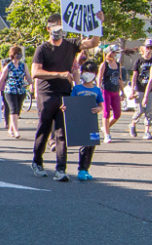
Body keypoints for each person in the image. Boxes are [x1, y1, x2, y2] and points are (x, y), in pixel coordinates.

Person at [30, 13, 102, 181]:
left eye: (61, 26)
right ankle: (37, 162)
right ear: (48, 29)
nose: (58, 30)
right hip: (47, 93)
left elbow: (92, 43)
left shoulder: (71, 45)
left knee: (62, 132)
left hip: (65, 93)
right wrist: (59, 74)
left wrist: (98, 23)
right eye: (54, 26)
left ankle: (61, 169)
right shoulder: (42, 49)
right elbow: (35, 72)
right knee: (44, 128)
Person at [68, 60, 104, 180]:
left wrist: (98, 108)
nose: (88, 75)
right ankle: (81, 169)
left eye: (91, 72)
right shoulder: (77, 89)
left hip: (92, 122)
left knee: (92, 145)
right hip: (81, 120)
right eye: (85, 72)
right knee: (84, 145)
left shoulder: (97, 90)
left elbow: (101, 105)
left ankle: (87, 168)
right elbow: (71, 102)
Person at [0, 44, 30, 139]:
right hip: (10, 90)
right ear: (13, 55)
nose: (19, 55)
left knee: (17, 111)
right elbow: (1, 80)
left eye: (20, 53)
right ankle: (16, 130)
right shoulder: (8, 66)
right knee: (13, 109)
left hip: (21, 90)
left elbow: (28, 76)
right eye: (17, 53)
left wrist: (30, 84)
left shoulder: (23, 65)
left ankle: (10, 129)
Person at [128, 39, 152, 139]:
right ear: (144, 48)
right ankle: (133, 124)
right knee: (139, 110)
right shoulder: (139, 61)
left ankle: (147, 131)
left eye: (151, 48)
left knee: (149, 110)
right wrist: (133, 89)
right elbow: (135, 76)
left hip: (151, 89)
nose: (149, 50)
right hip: (140, 88)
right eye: (147, 47)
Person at [98, 45, 124, 143]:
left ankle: (106, 127)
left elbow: (119, 78)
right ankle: (107, 135)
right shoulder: (104, 64)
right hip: (106, 90)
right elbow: (99, 77)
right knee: (106, 113)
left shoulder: (118, 64)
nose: (114, 54)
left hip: (115, 91)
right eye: (113, 52)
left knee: (117, 114)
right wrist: (98, 89)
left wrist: (123, 91)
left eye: (116, 53)